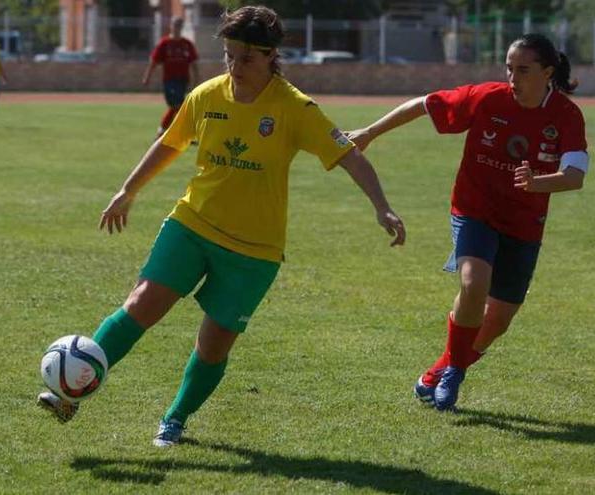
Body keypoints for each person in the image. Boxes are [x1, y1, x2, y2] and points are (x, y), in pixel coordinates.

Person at [38, 5, 406, 446]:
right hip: (192, 224)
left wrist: (381, 206)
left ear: (271, 55)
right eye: (229, 55)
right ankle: (70, 394)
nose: (234, 67)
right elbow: (169, 143)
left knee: (213, 345)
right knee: (141, 304)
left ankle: (175, 419)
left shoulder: (295, 108)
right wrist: (127, 190)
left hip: (254, 249)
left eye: (246, 58)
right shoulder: (207, 95)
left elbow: (348, 154)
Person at [347, 33, 589, 412]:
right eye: (509, 68)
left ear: (548, 71)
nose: (513, 77)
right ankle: (455, 374)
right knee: (474, 284)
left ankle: (440, 370)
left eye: (523, 70)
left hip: (525, 224)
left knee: (497, 323)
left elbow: (575, 176)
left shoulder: (566, 115)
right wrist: (369, 133)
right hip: (474, 210)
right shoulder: (488, 97)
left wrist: (536, 183)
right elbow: (425, 105)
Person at [142, 16, 199, 138]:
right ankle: (186, 133)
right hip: (169, 81)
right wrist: (147, 77)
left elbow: (194, 63)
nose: (177, 28)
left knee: (175, 107)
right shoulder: (165, 43)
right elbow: (153, 61)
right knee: (180, 105)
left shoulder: (187, 44)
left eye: (180, 25)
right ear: (171, 26)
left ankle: (162, 132)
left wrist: (196, 80)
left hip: (183, 80)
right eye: (175, 25)